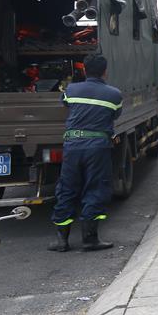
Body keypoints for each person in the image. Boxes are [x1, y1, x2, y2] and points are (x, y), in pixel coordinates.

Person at [48, 55, 122, 252]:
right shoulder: (114, 94)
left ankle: (61, 241)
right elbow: (115, 114)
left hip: (73, 146)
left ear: (83, 70)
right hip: (98, 147)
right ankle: (90, 239)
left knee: (67, 189)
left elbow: (65, 102)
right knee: (96, 188)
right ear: (105, 71)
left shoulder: (71, 90)